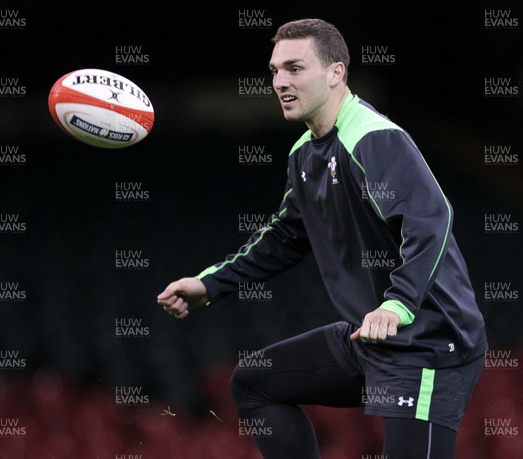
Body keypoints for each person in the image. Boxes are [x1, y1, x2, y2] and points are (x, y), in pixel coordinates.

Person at [158, 18, 487, 459]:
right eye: (275, 71)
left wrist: (398, 303)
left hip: (427, 344)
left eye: (295, 68)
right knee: (256, 382)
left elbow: (430, 219)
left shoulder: (373, 139)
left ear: (336, 73)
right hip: (367, 338)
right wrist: (210, 284)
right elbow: (287, 234)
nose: (279, 81)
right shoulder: (305, 152)